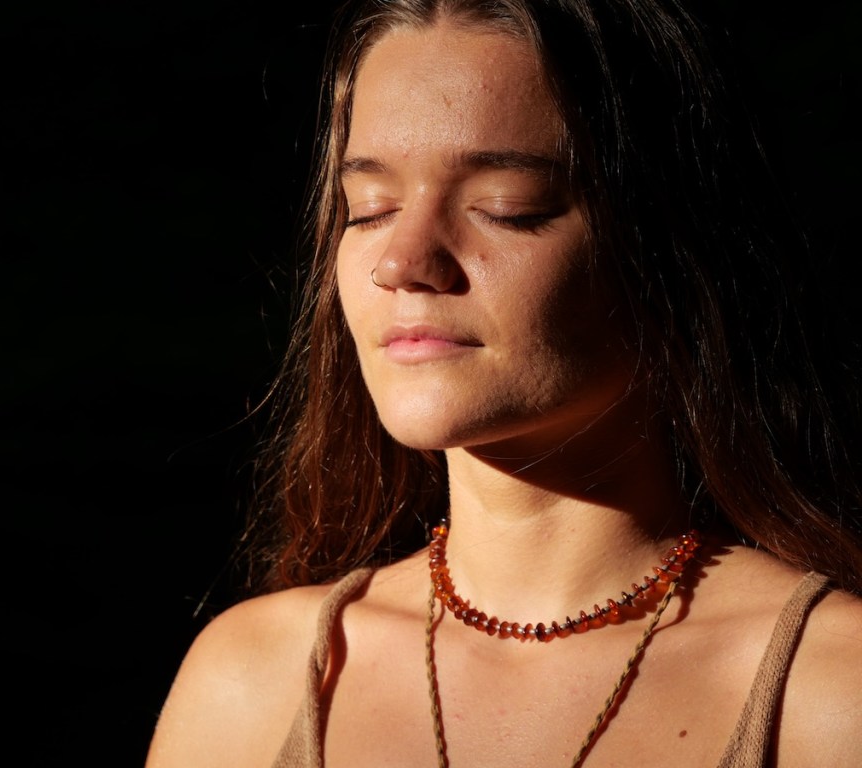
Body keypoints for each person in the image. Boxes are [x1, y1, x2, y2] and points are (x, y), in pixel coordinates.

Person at [146, 1, 862, 765]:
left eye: (504, 209)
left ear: (676, 248)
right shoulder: (254, 685)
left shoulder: (830, 694)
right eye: (370, 209)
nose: (403, 262)